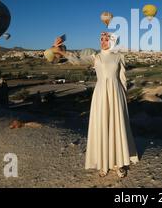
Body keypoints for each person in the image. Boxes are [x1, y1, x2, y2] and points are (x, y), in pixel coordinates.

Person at [49, 32, 139, 178]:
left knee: (116, 126)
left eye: (106, 40)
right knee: (102, 126)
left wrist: (123, 97)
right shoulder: (95, 57)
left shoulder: (119, 56)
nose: (103, 42)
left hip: (116, 93)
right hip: (101, 94)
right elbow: (77, 60)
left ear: (113, 42)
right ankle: (103, 164)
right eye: (101, 40)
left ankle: (119, 164)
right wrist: (60, 50)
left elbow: (122, 78)